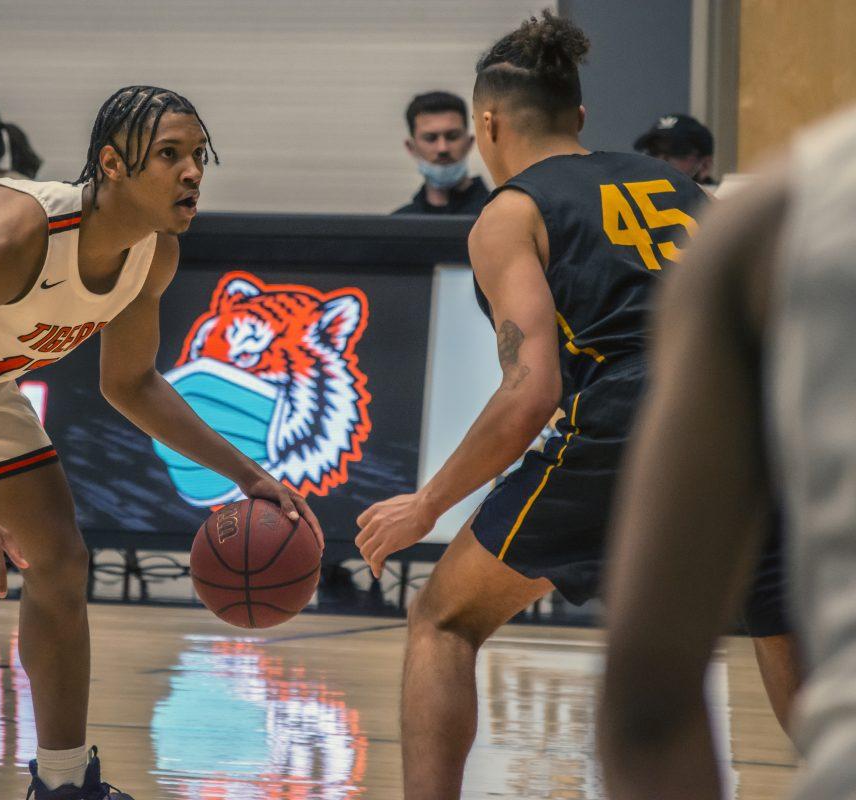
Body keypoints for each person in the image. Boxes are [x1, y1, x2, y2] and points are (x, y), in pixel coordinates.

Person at [353, 12, 795, 798]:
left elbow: (531, 394)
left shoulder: (510, 214)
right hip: (752, 416)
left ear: (486, 123)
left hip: (634, 420)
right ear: (580, 117)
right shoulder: (680, 184)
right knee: (784, 644)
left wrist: (427, 504)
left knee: (443, 621)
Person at [0, 85, 322, 800]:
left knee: (61, 558)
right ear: (111, 164)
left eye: (199, 155)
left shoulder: (152, 257)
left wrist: (249, 475)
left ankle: (63, 784)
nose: (193, 171)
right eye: (170, 155)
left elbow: (132, 384)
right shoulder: (16, 233)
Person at [598, 110, 856, 800]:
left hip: (690, 431)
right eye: (654, 152)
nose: (665, 165)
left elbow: (647, 701)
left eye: (676, 155)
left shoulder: (774, 215)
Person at [393, 90, 490, 215]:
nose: (442, 148)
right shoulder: (398, 225)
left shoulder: (499, 215)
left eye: (452, 136)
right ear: (411, 147)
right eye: (430, 138)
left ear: (469, 142)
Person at [634, 112, 715, 185]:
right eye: (653, 151)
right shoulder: (634, 197)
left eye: (677, 150)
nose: (661, 160)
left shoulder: (721, 199)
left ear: (705, 165)